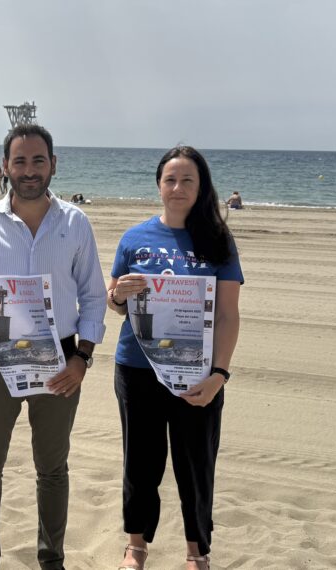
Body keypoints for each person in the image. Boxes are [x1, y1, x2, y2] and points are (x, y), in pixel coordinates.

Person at [0, 124, 106, 570]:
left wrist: (83, 358)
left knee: (53, 468)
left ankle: (51, 558)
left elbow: (94, 296)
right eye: (20, 161)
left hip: (60, 359)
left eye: (39, 160)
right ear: (5, 168)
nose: (30, 170)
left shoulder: (75, 223)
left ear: (54, 164)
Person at [107, 146, 243, 570]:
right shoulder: (135, 238)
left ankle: (196, 551)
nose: (178, 187)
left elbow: (227, 314)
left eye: (188, 180)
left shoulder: (218, 240)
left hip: (196, 373)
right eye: (171, 179)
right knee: (140, 463)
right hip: (137, 367)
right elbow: (113, 300)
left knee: (196, 464)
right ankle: (136, 545)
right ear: (158, 185)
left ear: (201, 188)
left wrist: (219, 374)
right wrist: (117, 295)